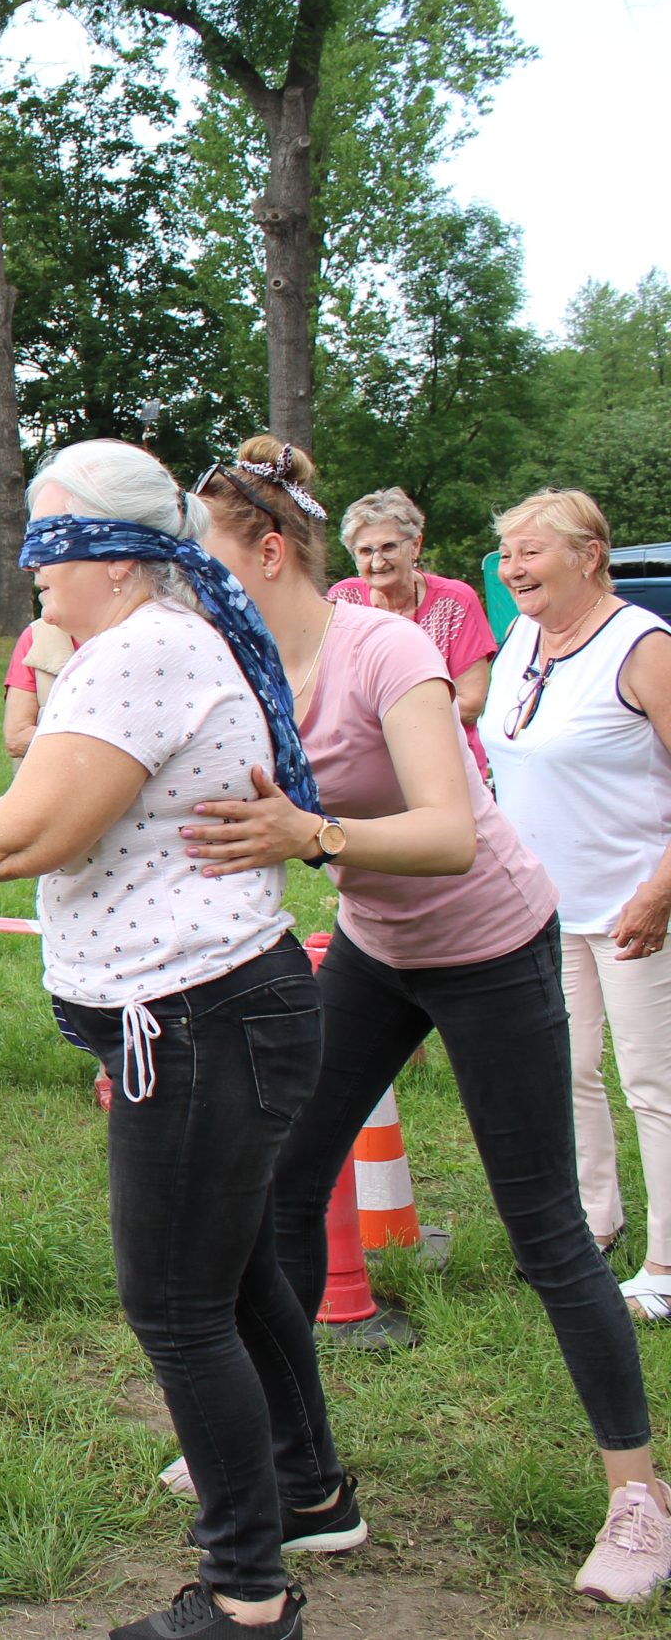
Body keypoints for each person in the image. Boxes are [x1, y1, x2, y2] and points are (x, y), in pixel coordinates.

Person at [0, 440, 332, 1638]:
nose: (32, 570)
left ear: (113, 556)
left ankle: (247, 1593)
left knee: (178, 1310)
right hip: (203, 1016)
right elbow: (52, 825)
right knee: (234, 1282)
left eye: (47, 543)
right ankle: (308, 1489)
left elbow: (19, 841)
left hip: (195, 1022)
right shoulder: (144, 642)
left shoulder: (141, 652)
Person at [183, 447, 671, 1606]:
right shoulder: (246, 660)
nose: (189, 577)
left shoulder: (384, 649)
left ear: (264, 550)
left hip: (491, 941)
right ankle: (294, 1470)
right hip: (376, 946)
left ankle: (638, 1503)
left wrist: (311, 836)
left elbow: (448, 831)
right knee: (283, 1189)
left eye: (204, 552)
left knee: (546, 1230)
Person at [483, 490, 671, 1327]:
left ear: (589, 554)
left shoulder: (645, 645)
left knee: (653, 1082)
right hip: (540, 904)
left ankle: (666, 1263)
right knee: (567, 1071)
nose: (513, 569)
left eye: (530, 552)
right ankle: (590, 1226)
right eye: (507, 555)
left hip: (636, 903)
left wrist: (661, 890)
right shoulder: (524, 635)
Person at [327, 485, 497, 774]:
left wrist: (379, 715)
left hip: (448, 764)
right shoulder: (342, 601)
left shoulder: (455, 601)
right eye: (365, 551)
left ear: (415, 545)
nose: (377, 562)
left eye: (389, 547)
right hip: (368, 771)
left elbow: (470, 704)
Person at [1, 616, 77, 764]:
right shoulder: (38, 634)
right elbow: (16, 738)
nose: (41, 591)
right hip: (52, 778)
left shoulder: (131, 635)